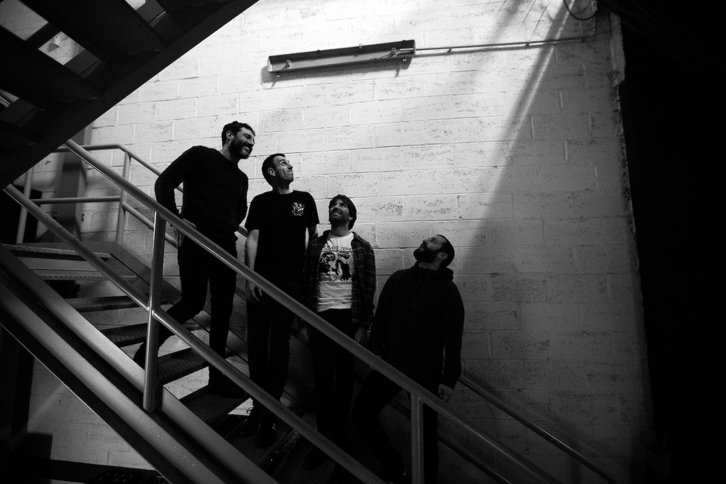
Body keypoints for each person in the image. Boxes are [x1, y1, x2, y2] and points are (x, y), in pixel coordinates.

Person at [133, 121, 255, 397]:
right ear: (229, 135)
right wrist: (176, 219)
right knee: (192, 302)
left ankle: (216, 377)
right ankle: (145, 352)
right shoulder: (201, 154)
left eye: (253, 140)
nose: (251, 143)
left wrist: (227, 224)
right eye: (247, 136)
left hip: (225, 246)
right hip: (196, 239)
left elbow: (241, 209)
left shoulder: (242, 178)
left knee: (223, 311)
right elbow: (164, 182)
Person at [351, 235, 465, 484]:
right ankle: (396, 468)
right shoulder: (399, 279)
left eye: (433, 241)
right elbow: (382, 319)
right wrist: (374, 353)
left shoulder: (448, 291)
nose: (425, 241)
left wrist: (449, 379)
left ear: (442, 255)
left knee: (426, 437)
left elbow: (453, 338)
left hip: (426, 372)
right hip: (390, 365)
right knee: (361, 415)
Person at [241, 153, 319, 447]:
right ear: (272, 171)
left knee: (279, 343)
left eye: (289, 162)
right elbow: (252, 239)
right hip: (262, 281)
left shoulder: (304, 199)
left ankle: (269, 413)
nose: (290, 165)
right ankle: (258, 408)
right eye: (284, 163)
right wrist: (250, 278)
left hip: (291, 283)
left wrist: (307, 278)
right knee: (256, 342)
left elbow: (313, 238)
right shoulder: (260, 201)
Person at [301, 195, 376, 470]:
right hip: (320, 315)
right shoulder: (316, 245)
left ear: (351, 215)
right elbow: (306, 282)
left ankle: (341, 440)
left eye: (342, 205)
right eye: (333, 204)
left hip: (349, 317)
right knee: (322, 380)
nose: (336, 207)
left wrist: (363, 325)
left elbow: (369, 286)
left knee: (345, 379)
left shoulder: (362, 246)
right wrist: (303, 322)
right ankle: (323, 441)